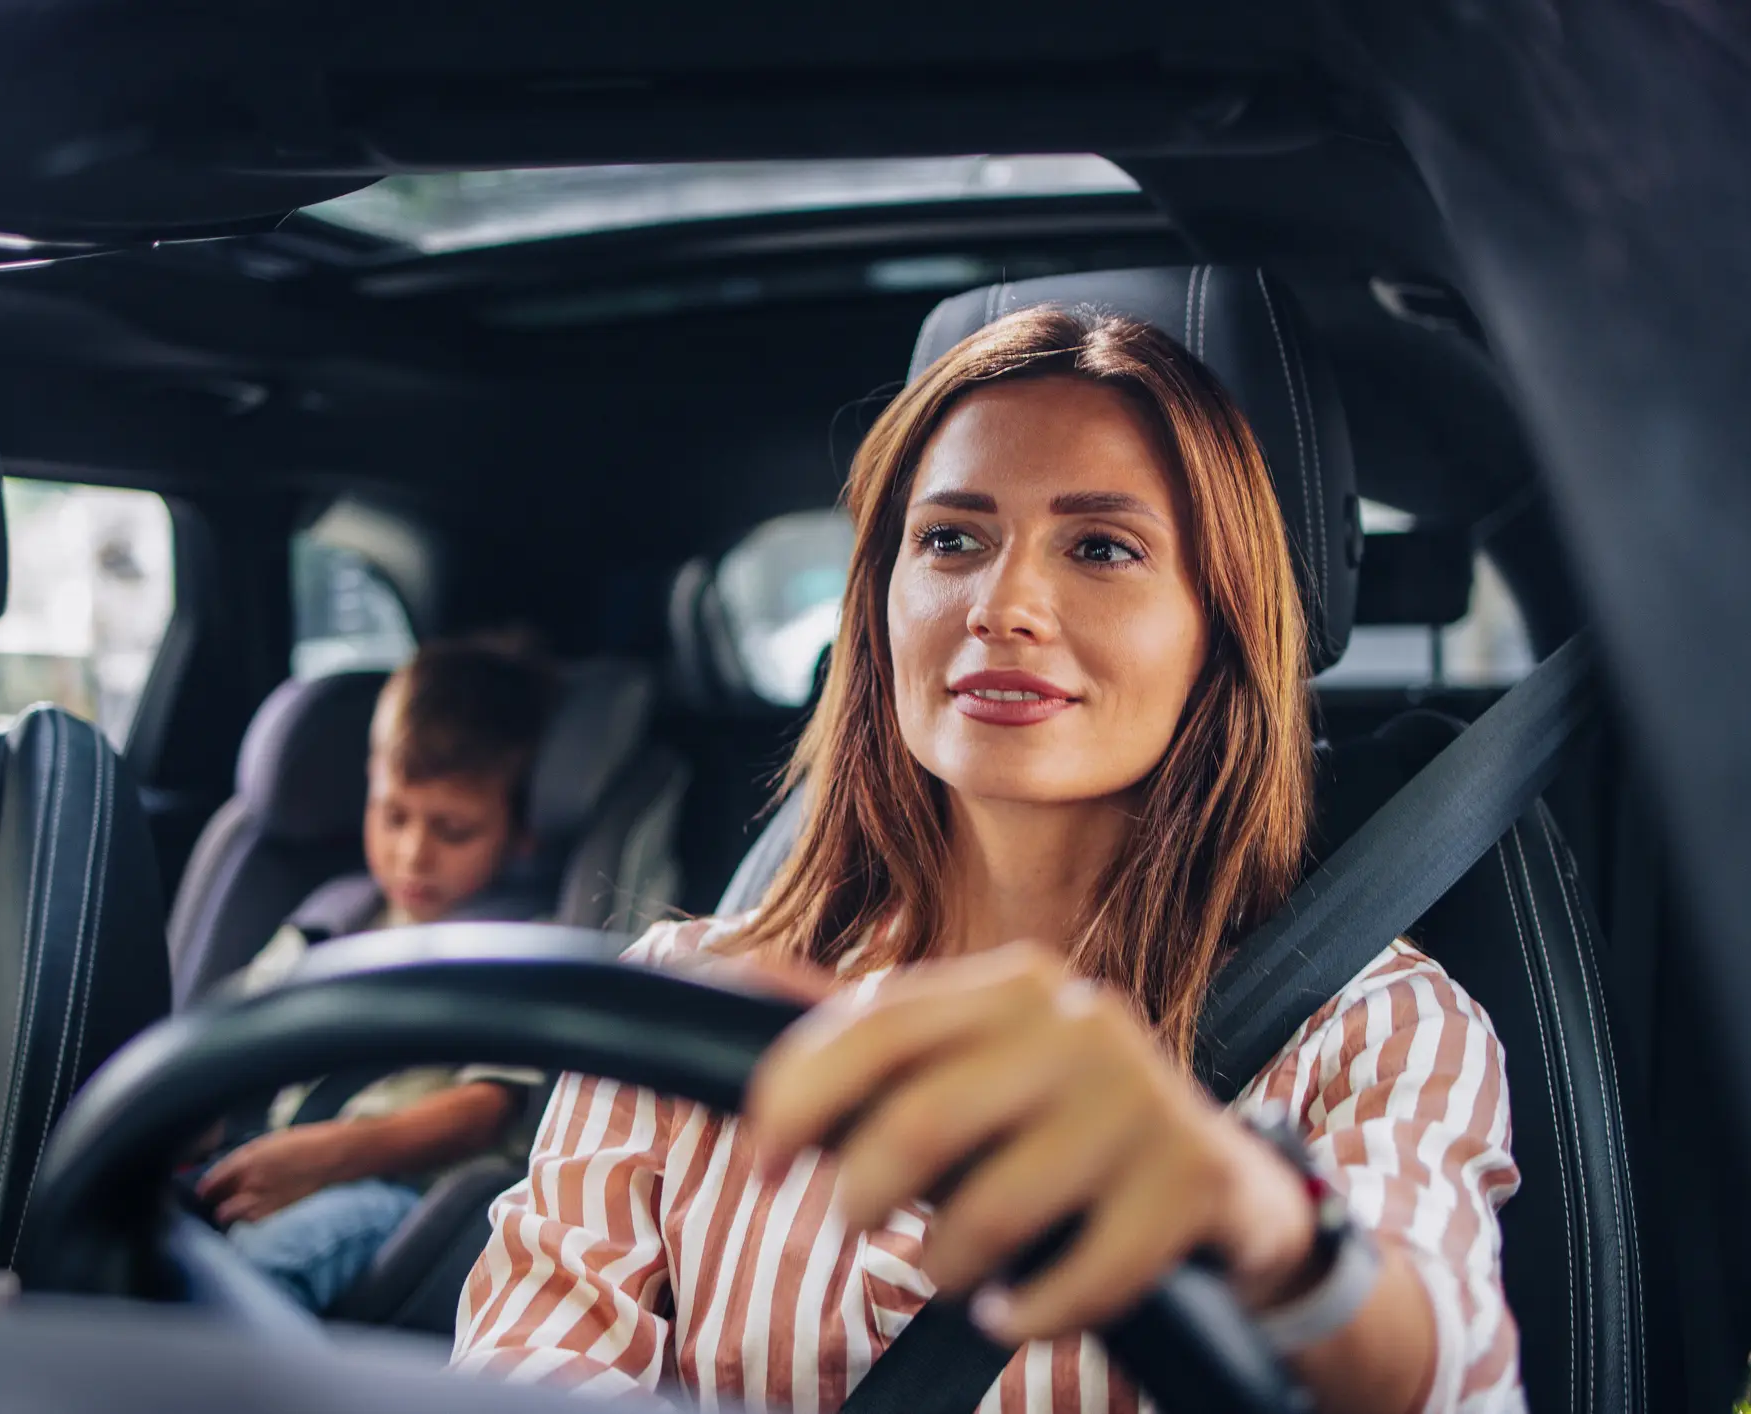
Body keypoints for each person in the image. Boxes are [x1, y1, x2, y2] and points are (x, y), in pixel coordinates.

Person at [451, 310, 1519, 1413]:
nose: (1002, 606)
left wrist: (1261, 1219)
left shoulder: (1372, 1026)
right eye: (951, 539)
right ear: (879, 600)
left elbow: (1445, 1369)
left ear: (1220, 622)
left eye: (1101, 547)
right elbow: (521, 1370)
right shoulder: (683, 997)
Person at [195, 639, 559, 1314]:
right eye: (393, 815)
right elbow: (229, 1034)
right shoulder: (333, 918)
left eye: (453, 830)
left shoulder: (518, 947)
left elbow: (487, 1106)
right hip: (275, 1158)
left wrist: (334, 1155)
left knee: (258, 1276)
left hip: (397, 1188)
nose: (414, 853)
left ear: (522, 830)